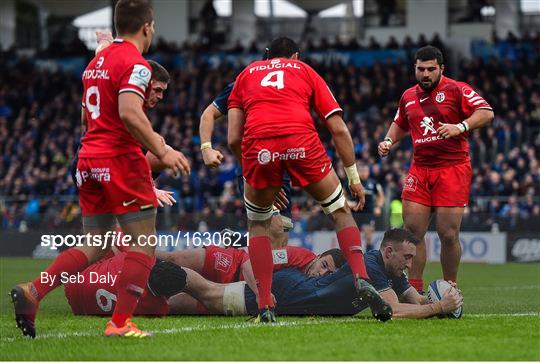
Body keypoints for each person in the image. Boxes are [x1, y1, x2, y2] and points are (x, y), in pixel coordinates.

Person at [10, 0, 190, 338]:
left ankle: (33, 292)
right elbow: (129, 113)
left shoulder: (96, 63)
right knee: (143, 245)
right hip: (118, 158)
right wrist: (162, 151)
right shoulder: (137, 64)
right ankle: (120, 323)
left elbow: (83, 117)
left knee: (97, 243)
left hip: (88, 159)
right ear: (147, 27)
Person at [228, 36, 392, 322]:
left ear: (266, 56)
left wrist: (252, 173)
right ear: (296, 55)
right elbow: (338, 129)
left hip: (260, 147)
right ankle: (361, 277)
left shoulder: (245, 75)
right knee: (340, 211)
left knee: (258, 224)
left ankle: (265, 304)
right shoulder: (305, 70)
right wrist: (353, 178)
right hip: (300, 141)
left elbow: (232, 138)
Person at [378, 45, 494, 293]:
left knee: (448, 234)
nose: (426, 74)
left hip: (452, 168)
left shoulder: (457, 89)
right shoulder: (408, 96)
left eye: (431, 69)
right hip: (420, 169)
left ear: (442, 68)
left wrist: (460, 127)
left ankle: (450, 288)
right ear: (415, 69)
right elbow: (400, 123)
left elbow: (486, 113)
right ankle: (415, 291)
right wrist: (388, 141)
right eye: (421, 69)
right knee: (412, 233)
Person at [199, 80, 293, 246]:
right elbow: (208, 114)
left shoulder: (290, 80)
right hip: (254, 167)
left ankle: (242, 243)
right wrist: (206, 148)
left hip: (280, 166)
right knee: (275, 232)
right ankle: (248, 250)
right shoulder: (244, 81)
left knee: (279, 233)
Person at [357, 164, 384, 251]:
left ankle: (368, 256)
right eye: (361, 171)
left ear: (368, 172)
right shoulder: (353, 183)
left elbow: (381, 196)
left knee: (368, 236)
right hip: (355, 212)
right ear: (358, 172)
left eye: (365, 171)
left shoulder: (374, 183)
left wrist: (378, 207)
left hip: (368, 212)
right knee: (353, 235)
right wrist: (348, 203)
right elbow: (344, 193)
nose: (364, 173)